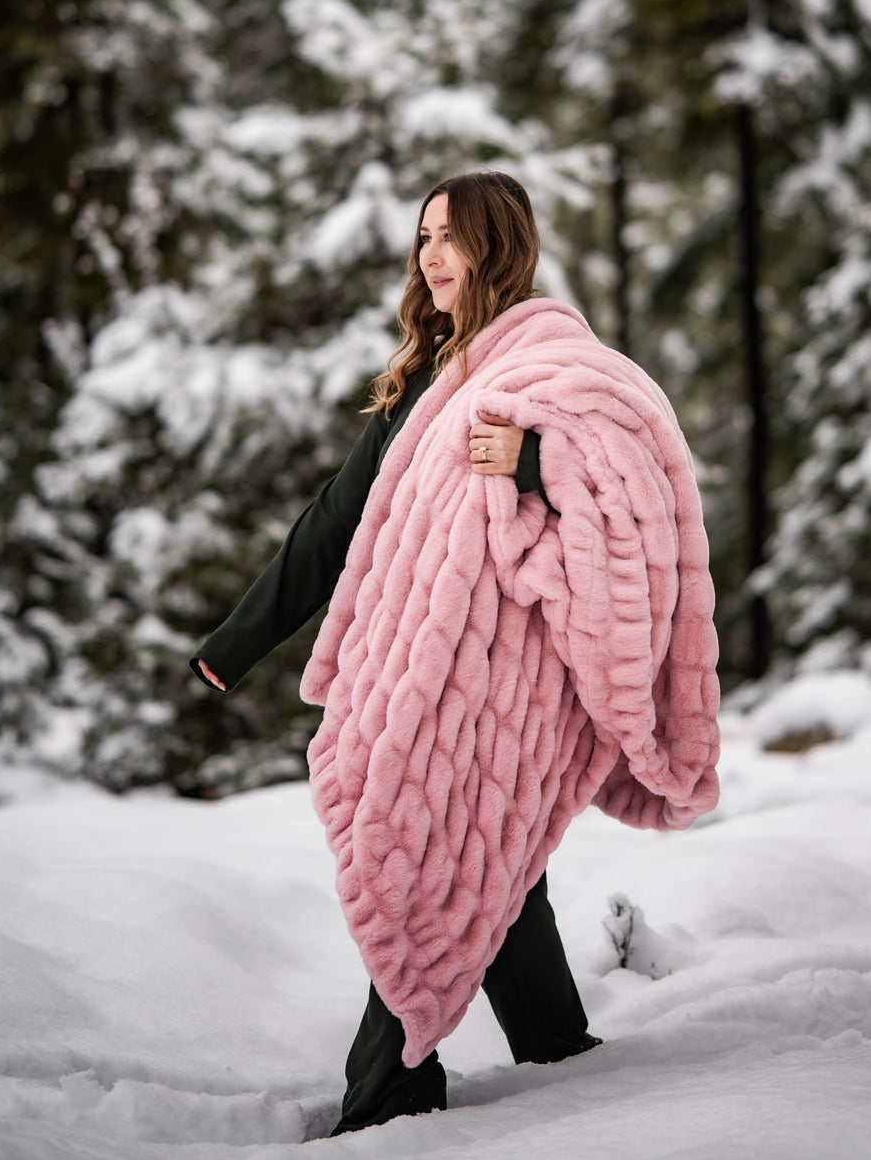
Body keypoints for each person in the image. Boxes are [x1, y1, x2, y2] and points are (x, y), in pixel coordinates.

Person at [190, 169, 720, 1136]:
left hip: (510, 679)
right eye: (421, 236)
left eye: (450, 235)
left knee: (430, 849)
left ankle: (388, 1098)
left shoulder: (556, 361)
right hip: (439, 676)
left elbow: (635, 488)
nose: (430, 255)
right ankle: (560, 1055)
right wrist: (236, 643)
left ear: (497, 244)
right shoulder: (431, 380)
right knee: (492, 860)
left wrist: (532, 459)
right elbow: (335, 522)